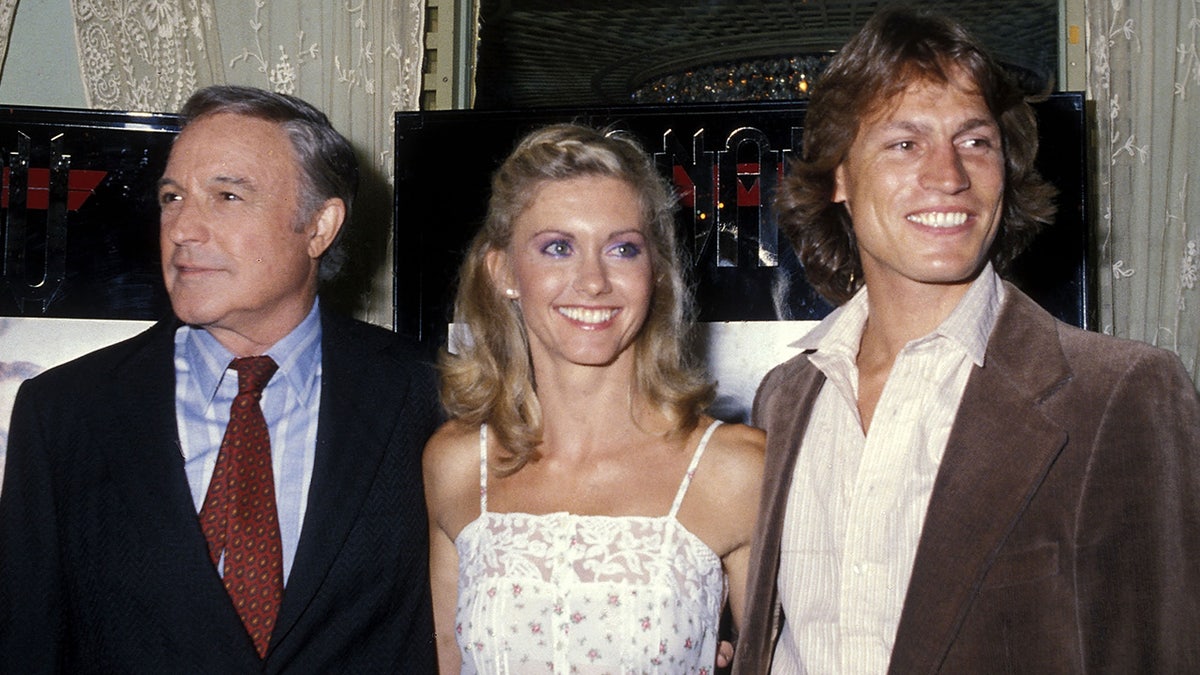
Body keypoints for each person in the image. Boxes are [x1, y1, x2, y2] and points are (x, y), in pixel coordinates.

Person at [734, 7, 1200, 674]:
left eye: (975, 142)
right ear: (837, 175)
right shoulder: (786, 399)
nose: (949, 175)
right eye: (904, 143)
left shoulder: (1121, 396)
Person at [0, 85, 440, 672]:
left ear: (319, 226)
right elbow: (25, 647)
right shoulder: (63, 412)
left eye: (227, 196)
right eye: (173, 197)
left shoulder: (430, 399)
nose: (183, 228)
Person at [423, 123, 765, 673]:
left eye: (623, 249)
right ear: (505, 272)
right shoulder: (459, 463)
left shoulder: (736, 468)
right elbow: (447, 658)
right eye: (558, 248)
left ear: (654, 274)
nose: (593, 281)